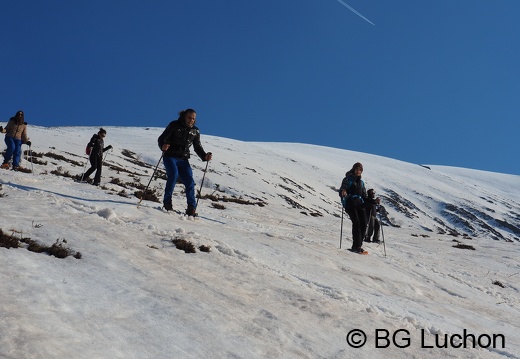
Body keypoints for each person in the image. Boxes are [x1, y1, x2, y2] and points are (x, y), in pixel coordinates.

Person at [158, 109, 212, 215]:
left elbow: (197, 147)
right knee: (173, 175)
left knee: (190, 182)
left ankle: (191, 208)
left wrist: (205, 156)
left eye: (193, 118)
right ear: (184, 116)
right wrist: (163, 146)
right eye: (189, 117)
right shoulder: (174, 125)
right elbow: (162, 139)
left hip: (183, 159)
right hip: (170, 156)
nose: (191, 120)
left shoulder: (195, 131)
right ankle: (167, 203)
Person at [339, 162, 368, 253]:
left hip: (360, 204)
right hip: (350, 203)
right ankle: (356, 246)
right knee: (357, 223)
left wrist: (371, 200)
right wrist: (343, 192)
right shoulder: (347, 179)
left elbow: (364, 195)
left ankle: (358, 245)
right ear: (353, 169)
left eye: (360, 170)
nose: (358, 171)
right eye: (357, 169)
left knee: (364, 224)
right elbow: (342, 189)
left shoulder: (361, 182)